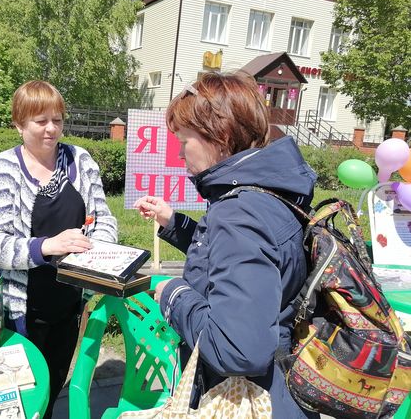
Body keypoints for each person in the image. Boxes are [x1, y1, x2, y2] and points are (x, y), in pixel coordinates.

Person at [134, 71, 318, 419]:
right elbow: (235, 259)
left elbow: (237, 349)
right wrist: (174, 224)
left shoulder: (237, 213)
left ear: (220, 136)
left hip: (245, 399)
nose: (179, 153)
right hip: (281, 387)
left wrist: (173, 294)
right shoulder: (265, 194)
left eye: (184, 141)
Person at [0, 80, 118, 418]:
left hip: (69, 302)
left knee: (54, 384)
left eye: (58, 120)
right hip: (21, 308)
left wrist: (99, 249)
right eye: (40, 121)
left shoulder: (80, 161)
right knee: (23, 394)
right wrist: (48, 246)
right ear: (19, 124)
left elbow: (104, 218)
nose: (51, 129)